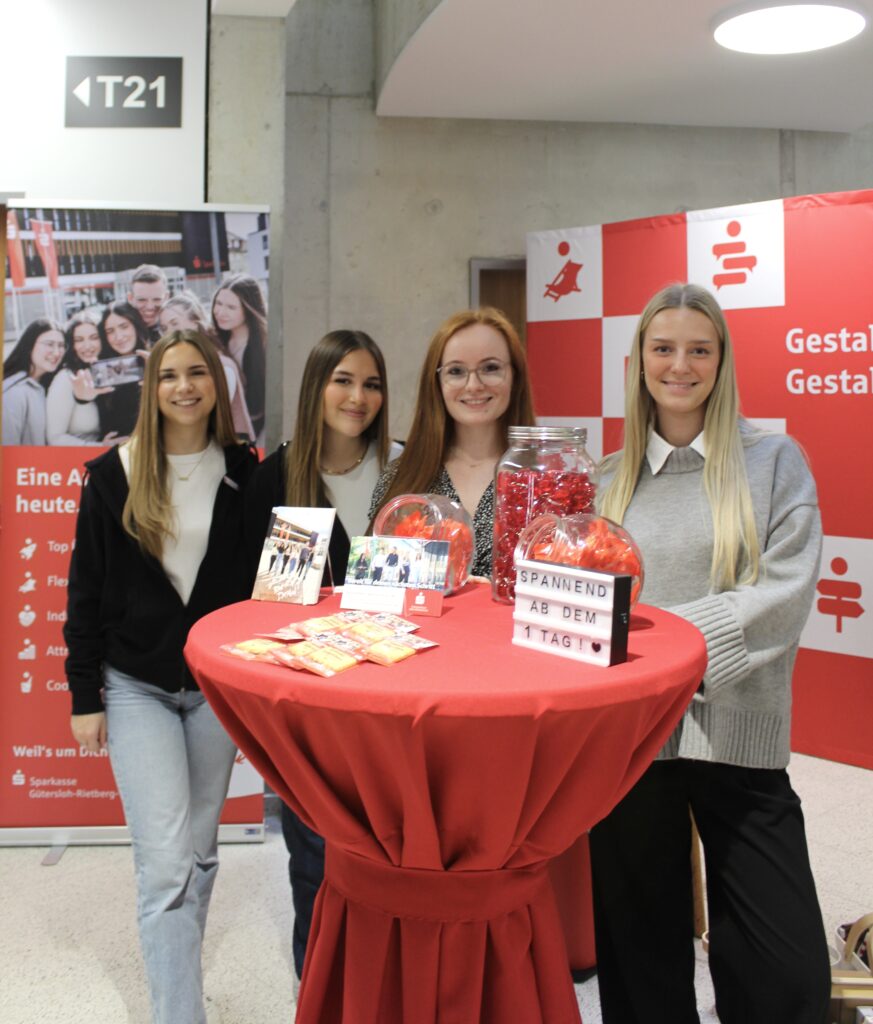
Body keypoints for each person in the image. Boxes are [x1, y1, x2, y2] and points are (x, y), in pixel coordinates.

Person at [589, 283, 830, 1024]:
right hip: (632, 743)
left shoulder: (773, 461)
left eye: (699, 350)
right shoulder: (605, 479)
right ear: (639, 361)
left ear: (721, 361)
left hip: (740, 738)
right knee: (639, 972)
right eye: (663, 348)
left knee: (786, 978)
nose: (680, 366)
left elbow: (784, 592)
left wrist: (669, 650)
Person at [64, 329, 257, 1024]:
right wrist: (84, 695)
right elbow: (85, 592)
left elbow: (260, 585)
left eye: (197, 372)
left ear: (217, 383)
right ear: (151, 389)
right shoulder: (113, 475)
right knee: (168, 862)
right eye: (169, 374)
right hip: (136, 686)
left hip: (214, 692)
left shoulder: (244, 471)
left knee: (199, 854)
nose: (184, 386)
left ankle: (179, 985)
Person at [244, 328, 399, 980]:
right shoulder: (275, 478)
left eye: (371, 384)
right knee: (312, 851)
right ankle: (319, 983)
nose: (357, 397)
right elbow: (260, 603)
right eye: (343, 381)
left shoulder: (405, 471)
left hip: (395, 695)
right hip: (310, 701)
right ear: (316, 387)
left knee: (390, 853)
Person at [369, 307, 535, 576]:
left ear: (515, 376)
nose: (474, 385)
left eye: (491, 368)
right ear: (436, 382)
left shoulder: (546, 482)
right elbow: (377, 581)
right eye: (456, 371)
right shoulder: (398, 477)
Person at [160, 291, 255, 441]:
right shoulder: (178, 365)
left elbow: (208, 417)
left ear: (195, 322)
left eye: (174, 323)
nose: (169, 332)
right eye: (164, 328)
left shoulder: (222, 366)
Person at [211, 274, 268, 442]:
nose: (220, 312)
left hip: (257, 434)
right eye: (218, 303)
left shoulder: (265, 344)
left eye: (231, 307)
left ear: (248, 309)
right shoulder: (215, 339)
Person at [46, 313, 117, 445]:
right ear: (71, 345)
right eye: (79, 340)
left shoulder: (106, 371)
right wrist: (101, 447)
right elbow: (55, 438)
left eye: (94, 338)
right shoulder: (66, 378)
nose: (87, 346)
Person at [2, 317, 66, 444]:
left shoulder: (49, 384)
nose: (57, 352)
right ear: (30, 345)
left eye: (61, 345)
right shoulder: (12, 393)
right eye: (49, 344)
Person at [95, 301, 152, 440]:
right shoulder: (102, 368)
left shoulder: (156, 358)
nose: (118, 337)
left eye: (124, 327)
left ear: (135, 326)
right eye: (110, 331)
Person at [128, 264, 169, 344]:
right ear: (130, 298)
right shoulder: (121, 336)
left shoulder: (176, 332)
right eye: (142, 300)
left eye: (157, 299)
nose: (150, 307)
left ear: (166, 297)